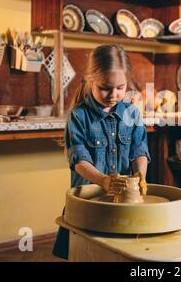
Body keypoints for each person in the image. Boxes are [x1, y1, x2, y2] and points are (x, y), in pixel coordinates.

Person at [52, 45, 150, 260]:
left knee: (119, 255)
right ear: (90, 81)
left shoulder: (132, 112)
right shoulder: (78, 116)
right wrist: (103, 181)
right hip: (88, 202)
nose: (114, 95)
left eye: (120, 87)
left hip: (124, 203)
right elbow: (79, 161)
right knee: (88, 255)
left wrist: (141, 174)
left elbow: (139, 150)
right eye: (105, 87)